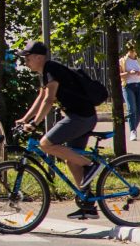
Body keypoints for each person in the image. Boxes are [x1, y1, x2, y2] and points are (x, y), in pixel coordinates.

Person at [15, 40, 99, 220]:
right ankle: (88, 205)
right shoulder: (46, 71)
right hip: (81, 115)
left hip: (80, 117)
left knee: (45, 143)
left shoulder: (51, 69)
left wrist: (35, 123)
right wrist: (25, 119)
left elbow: (49, 99)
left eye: (28, 58)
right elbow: (41, 97)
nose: (25, 61)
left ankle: (91, 165)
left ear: (38, 57)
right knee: (71, 161)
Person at [119, 44, 140, 141]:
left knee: (139, 110)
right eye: (130, 50)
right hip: (128, 86)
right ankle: (132, 131)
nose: (132, 52)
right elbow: (119, 75)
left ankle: (134, 129)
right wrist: (129, 73)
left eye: (134, 50)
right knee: (131, 108)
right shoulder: (123, 61)